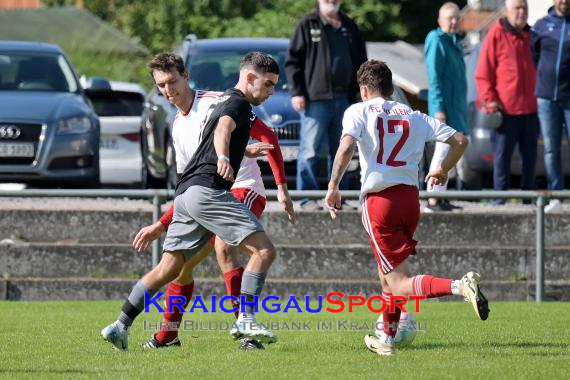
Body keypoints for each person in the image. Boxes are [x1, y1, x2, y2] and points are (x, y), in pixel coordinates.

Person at [101, 52, 285, 351]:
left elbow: (238, 134)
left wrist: (245, 155)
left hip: (194, 194)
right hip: (209, 191)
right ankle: (246, 320)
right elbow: (224, 129)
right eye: (161, 85)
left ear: (186, 76)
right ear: (251, 78)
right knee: (263, 250)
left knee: (170, 268)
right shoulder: (232, 102)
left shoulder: (214, 99)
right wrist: (226, 155)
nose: (168, 90)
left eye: (172, 81)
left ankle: (120, 325)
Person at [325, 60, 490, 356]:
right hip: (409, 201)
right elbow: (460, 141)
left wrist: (333, 185)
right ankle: (386, 339)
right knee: (386, 277)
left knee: (399, 282)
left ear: (364, 89)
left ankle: (459, 286)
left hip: (380, 203)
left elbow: (347, 145)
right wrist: (442, 168)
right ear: (391, 88)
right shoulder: (414, 115)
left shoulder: (358, 110)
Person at [285, 0, 367, 191]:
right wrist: (296, 92)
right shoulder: (307, 24)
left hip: (346, 99)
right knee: (310, 152)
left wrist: (360, 92)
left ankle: (340, 195)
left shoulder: (349, 25)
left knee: (343, 150)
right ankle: (306, 198)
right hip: (315, 100)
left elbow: (361, 61)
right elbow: (292, 62)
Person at [475, 0, 538, 203]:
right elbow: (483, 73)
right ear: (507, 11)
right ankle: (500, 201)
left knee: (530, 161)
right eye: (517, 8)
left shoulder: (532, 35)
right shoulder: (497, 34)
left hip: (531, 110)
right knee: (502, 160)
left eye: (524, 8)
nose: (521, 12)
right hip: (505, 111)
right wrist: (490, 100)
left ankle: (529, 203)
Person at [424, 2, 469, 211]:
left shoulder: (454, 41)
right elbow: (434, 78)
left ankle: (440, 195)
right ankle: (432, 199)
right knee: (442, 153)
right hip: (445, 108)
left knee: (451, 153)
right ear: (440, 20)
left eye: (456, 18)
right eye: (449, 18)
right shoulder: (436, 40)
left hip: (457, 107)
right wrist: (438, 109)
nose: (453, 22)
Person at [531, 0, 570, 213]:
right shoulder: (541, 25)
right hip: (546, 98)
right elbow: (534, 55)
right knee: (551, 148)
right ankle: (556, 194)